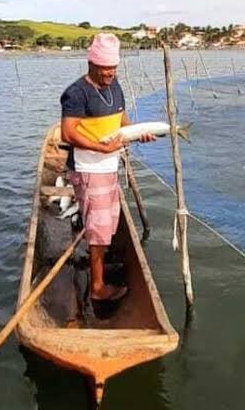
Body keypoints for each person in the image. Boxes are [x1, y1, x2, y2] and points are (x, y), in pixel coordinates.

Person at [60, 33, 155, 301]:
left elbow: (123, 123)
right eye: (105, 68)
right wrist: (101, 147)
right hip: (89, 170)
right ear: (91, 64)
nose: (111, 73)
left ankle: (97, 265)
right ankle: (98, 288)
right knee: (99, 227)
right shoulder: (76, 92)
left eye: (114, 68)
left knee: (106, 223)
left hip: (109, 167)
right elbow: (67, 133)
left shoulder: (115, 88)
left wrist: (140, 133)